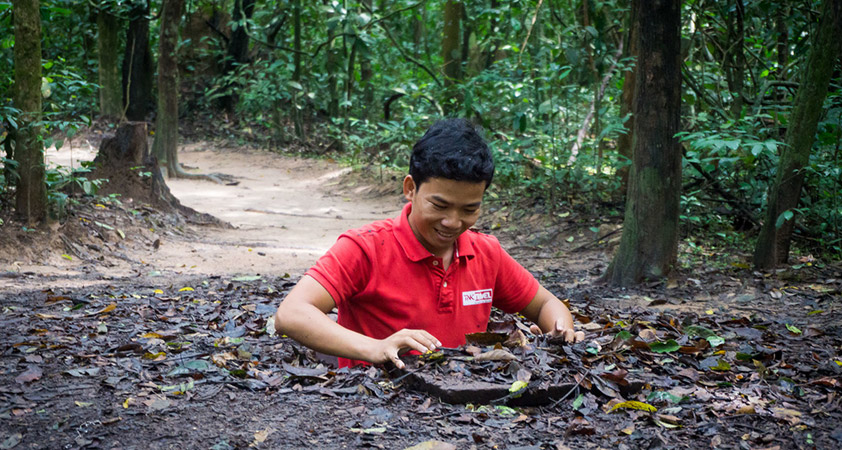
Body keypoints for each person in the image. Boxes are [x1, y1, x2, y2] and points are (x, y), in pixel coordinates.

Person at [274, 118, 584, 369]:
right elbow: (291, 313)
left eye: (469, 209)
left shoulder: (486, 253)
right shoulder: (365, 248)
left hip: (468, 408)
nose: (453, 222)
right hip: (373, 406)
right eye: (439, 205)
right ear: (410, 188)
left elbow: (546, 304)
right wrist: (377, 348)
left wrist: (560, 331)